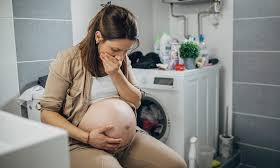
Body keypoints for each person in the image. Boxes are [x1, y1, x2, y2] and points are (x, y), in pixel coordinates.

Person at [40, 3, 187, 168]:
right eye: (115, 50)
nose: (120, 57)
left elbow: (136, 101)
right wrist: (88, 137)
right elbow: (47, 113)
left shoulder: (122, 60)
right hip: (82, 143)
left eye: (125, 51)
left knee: (177, 165)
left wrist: (116, 74)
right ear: (98, 37)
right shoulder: (68, 60)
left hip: (128, 141)